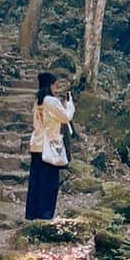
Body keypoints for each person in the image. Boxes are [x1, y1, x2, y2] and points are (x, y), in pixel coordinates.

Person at [25, 71, 75, 221]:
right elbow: (65, 117)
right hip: (50, 145)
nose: (56, 88)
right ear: (50, 85)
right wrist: (69, 105)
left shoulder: (38, 102)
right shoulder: (51, 101)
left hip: (37, 144)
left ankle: (32, 213)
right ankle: (45, 214)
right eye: (55, 84)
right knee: (50, 183)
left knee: (36, 181)